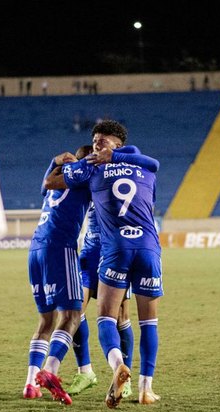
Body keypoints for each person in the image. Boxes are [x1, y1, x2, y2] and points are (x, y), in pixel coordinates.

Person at [48, 120, 163, 408]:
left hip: (114, 249)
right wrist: (111, 157)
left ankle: (117, 366)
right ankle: (143, 388)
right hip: (147, 247)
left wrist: (60, 163)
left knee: (110, 318)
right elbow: (154, 163)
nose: (97, 144)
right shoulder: (143, 166)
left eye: (103, 140)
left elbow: (51, 182)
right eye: (95, 139)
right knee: (145, 321)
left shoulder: (92, 168)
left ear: (119, 145)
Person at [22, 145, 92, 405]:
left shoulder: (58, 177)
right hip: (59, 248)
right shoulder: (86, 173)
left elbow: (44, 186)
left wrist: (53, 162)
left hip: (35, 249)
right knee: (72, 315)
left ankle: (30, 384)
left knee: (46, 321)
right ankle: (50, 371)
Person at [67, 144, 136, 398]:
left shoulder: (117, 176)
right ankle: (85, 371)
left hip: (114, 254)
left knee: (120, 317)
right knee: (76, 311)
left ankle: (125, 378)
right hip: (89, 253)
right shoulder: (84, 183)